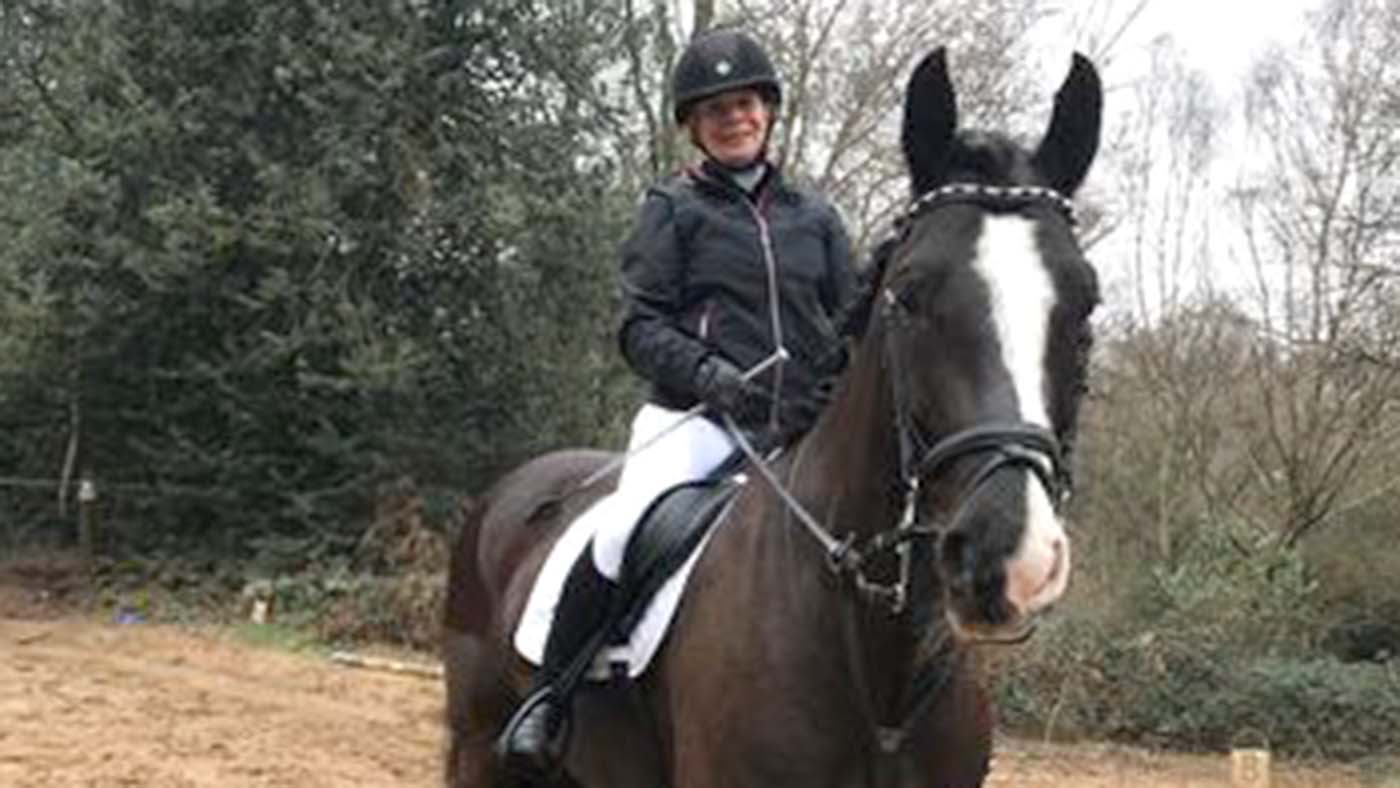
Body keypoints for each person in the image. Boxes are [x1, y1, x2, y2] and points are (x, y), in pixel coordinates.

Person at [495, 27, 857, 779]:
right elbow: (638, 325)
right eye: (715, 109)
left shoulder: (815, 219)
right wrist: (707, 372)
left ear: (769, 112)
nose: (734, 118)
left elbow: (846, 325)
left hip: (797, 426)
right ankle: (549, 703)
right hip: (695, 419)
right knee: (619, 531)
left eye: (746, 103)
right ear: (693, 125)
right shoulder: (673, 208)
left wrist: (829, 392)